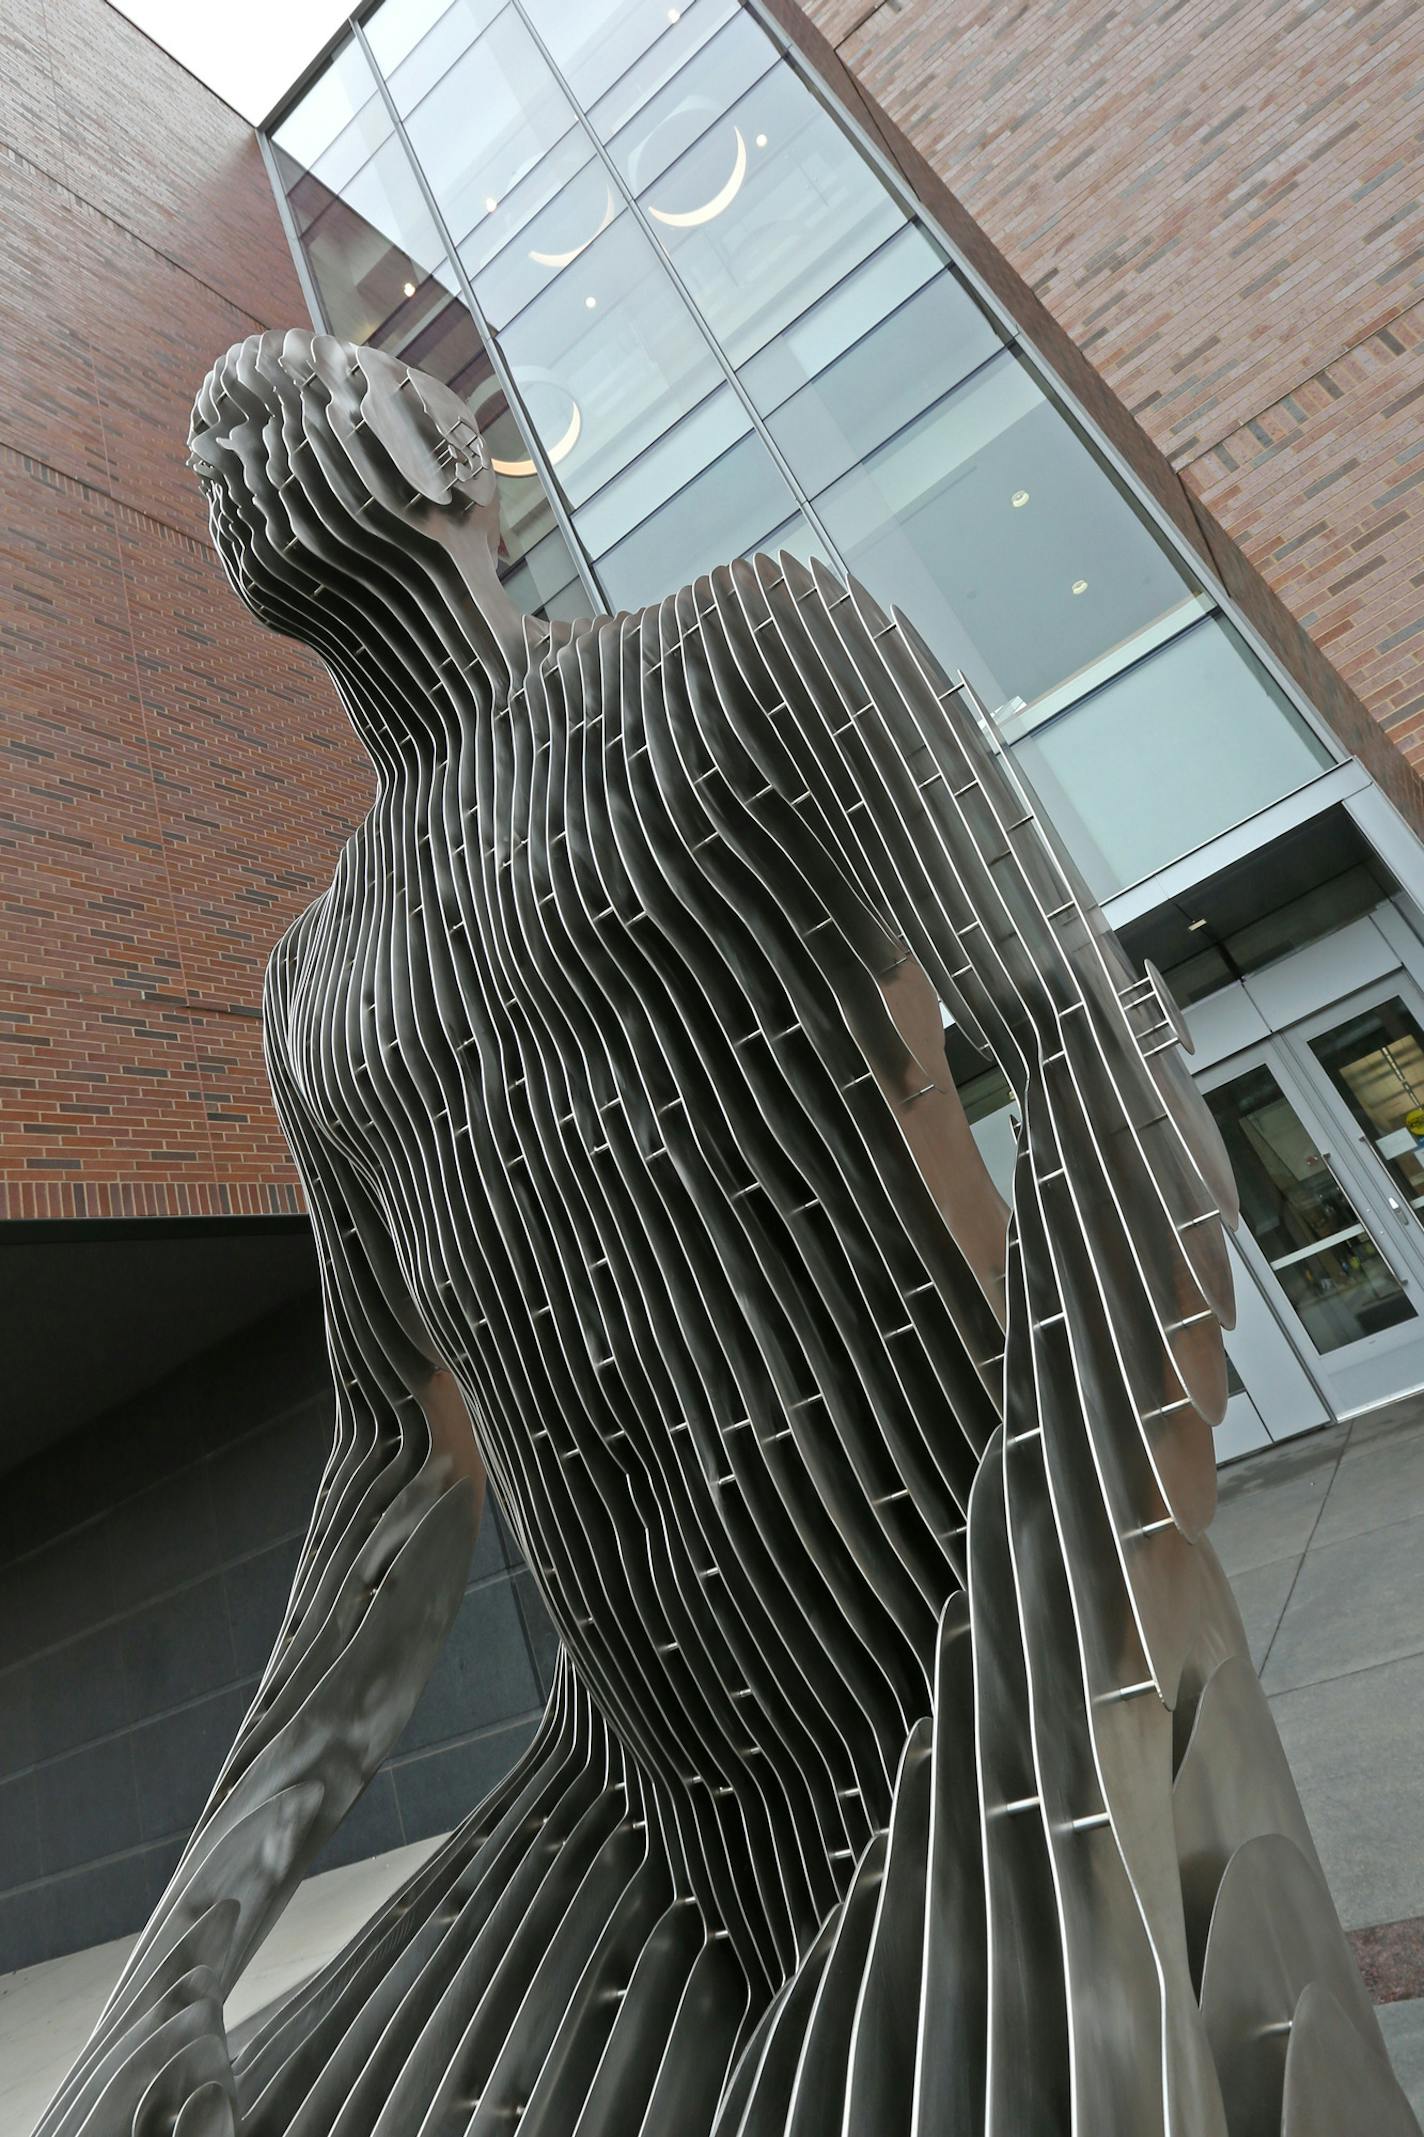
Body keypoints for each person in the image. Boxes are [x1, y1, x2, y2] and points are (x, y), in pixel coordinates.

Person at [37, 330, 1415, 2137]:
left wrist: (1055, 1634)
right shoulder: (316, 992)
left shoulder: (756, 653)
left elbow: (1086, 1042)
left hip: (986, 1642)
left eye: (336, 378)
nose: (247, 404)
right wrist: (180, 1963)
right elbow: (395, 1462)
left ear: (464, 454)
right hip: (652, 1808)